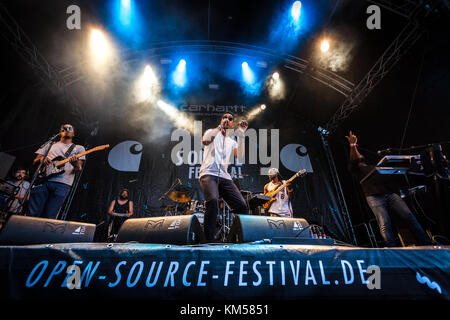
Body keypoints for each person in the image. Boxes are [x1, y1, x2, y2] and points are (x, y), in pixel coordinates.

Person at [346, 131, 431, 247]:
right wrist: (353, 145)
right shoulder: (355, 168)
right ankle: (392, 249)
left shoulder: (373, 166)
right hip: (374, 197)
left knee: (409, 216)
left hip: (390, 194)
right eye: (357, 154)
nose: (359, 154)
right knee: (384, 223)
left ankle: (426, 243)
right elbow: (354, 159)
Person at [199, 112, 249, 241]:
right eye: (224, 117)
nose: (227, 119)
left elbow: (241, 157)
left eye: (230, 118)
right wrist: (219, 127)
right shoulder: (212, 132)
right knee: (213, 202)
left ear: (232, 124)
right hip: (209, 173)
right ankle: (208, 240)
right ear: (221, 120)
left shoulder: (232, 142)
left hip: (225, 177)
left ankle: (233, 238)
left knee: (242, 206)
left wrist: (242, 134)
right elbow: (205, 140)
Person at [28, 124, 85, 219]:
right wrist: (42, 158)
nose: (67, 129)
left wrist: (75, 163)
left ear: (73, 134)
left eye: (70, 128)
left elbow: (78, 168)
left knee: (49, 215)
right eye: (65, 128)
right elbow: (35, 161)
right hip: (42, 180)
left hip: (63, 184)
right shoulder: (50, 144)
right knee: (33, 212)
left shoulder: (79, 148)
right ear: (60, 131)